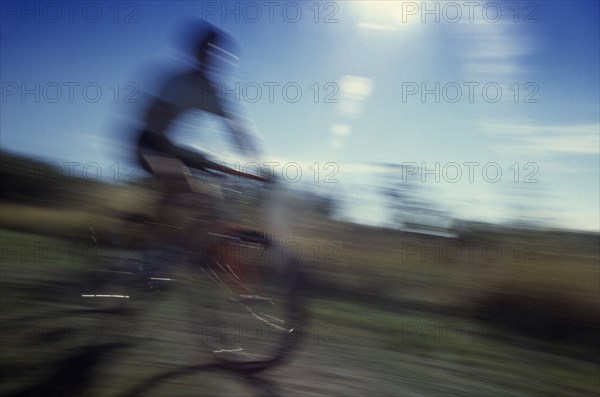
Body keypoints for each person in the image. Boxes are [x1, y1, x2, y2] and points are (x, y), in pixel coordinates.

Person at [137, 20, 261, 196]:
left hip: (169, 148)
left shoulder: (212, 93)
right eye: (209, 51)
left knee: (212, 193)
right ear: (198, 52)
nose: (214, 58)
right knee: (191, 195)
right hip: (147, 145)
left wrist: (258, 164)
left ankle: (169, 212)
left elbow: (238, 130)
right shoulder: (177, 82)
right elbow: (152, 122)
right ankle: (168, 213)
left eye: (219, 53)